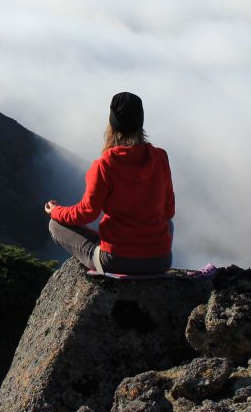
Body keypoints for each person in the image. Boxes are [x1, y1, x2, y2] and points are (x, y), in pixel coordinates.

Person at [45, 91, 175, 275]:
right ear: (141, 123)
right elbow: (169, 211)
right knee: (167, 222)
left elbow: (86, 214)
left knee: (55, 225)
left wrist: (56, 211)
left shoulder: (104, 165)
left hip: (116, 260)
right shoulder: (160, 157)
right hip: (161, 261)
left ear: (112, 124)